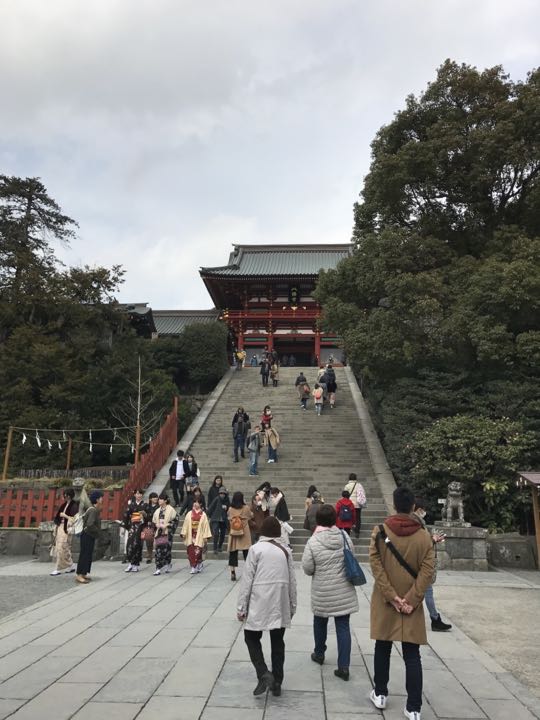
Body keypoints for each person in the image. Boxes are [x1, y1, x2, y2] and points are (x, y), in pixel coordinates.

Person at [368, 487, 435, 720]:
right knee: (412, 654)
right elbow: (427, 572)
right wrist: (411, 599)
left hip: (386, 600)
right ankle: (414, 707)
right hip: (410, 604)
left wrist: (391, 596)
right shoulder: (424, 537)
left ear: (394, 504)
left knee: (382, 647)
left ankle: (380, 693)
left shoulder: (380, 531)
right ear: (413, 506)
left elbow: (376, 566)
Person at [237, 516, 297, 698]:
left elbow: (247, 580)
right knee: (278, 641)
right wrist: (292, 605)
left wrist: (241, 607)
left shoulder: (255, 549)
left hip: (259, 600)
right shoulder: (286, 551)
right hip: (280, 600)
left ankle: (263, 673)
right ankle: (277, 682)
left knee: (251, 637)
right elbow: (292, 581)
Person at [302, 503, 359, 681]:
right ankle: (344, 667)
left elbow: (307, 568)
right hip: (343, 589)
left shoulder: (313, 541)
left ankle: (319, 653)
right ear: (335, 519)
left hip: (322, 590)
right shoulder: (344, 536)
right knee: (343, 627)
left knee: (320, 622)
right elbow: (352, 556)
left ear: (318, 520)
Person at [413, 497, 452, 632]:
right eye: (423, 510)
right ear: (419, 509)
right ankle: (435, 620)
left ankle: (435, 619)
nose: (424, 512)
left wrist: (432, 539)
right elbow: (419, 543)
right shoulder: (416, 522)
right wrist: (433, 540)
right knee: (427, 591)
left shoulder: (417, 522)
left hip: (420, 562)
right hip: (421, 563)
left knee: (426, 591)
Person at [75, 490, 103, 585]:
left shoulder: (93, 509)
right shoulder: (93, 510)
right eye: (101, 498)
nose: (102, 500)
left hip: (89, 535)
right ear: (97, 499)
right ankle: (79, 574)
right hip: (87, 535)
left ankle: (83, 573)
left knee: (88, 554)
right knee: (85, 554)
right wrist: (98, 531)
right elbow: (90, 524)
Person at [50, 488, 78, 575]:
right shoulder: (64, 505)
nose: (64, 496)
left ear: (69, 496)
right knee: (64, 548)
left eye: (65, 494)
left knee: (62, 547)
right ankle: (71, 565)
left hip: (67, 528)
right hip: (60, 527)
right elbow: (58, 517)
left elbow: (75, 519)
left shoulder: (74, 506)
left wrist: (65, 515)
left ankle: (58, 568)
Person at [227, 491, 253, 581]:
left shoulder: (230, 509)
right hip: (244, 533)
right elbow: (251, 515)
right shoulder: (246, 508)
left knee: (233, 553)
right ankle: (249, 572)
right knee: (247, 553)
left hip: (234, 532)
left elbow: (228, 517)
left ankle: (233, 572)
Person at [181, 499, 212, 573]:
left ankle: (195, 565)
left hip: (199, 535)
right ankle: (195, 565)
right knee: (191, 551)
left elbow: (206, 526)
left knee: (198, 551)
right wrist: (184, 533)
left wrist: (205, 536)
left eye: (197, 503)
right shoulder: (189, 513)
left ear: (200, 504)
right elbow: (185, 524)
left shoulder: (203, 514)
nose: (195, 504)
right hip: (191, 534)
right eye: (194, 502)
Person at [152, 492, 179, 576]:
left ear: (165, 500)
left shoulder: (171, 510)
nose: (159, 501)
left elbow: (175, 520)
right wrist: (156, 525)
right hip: (159, 531)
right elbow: (154, 521)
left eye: (161, 499)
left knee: (166, 549)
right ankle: (158, 567)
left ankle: (167, 563)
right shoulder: (157, 510)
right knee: (158, 549)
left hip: (167, 531)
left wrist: (167, 525)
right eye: (159, 499)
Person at [123, 489, 147, 573]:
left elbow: (148, 516)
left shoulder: (145, 505)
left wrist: (144, 515)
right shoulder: (131, 505)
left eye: (140, 494)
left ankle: (136, 564)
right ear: (134, 495)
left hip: (140, 526)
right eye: (137, 494)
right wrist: (127, 526)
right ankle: (130, 563)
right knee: (129, 544)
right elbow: (126, 515)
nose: (139, 495)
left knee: (138, 544)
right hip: (132, 526)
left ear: (142, 495)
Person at [207, 486, 230, 553]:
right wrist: (208, 515)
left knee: (223, 534)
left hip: (224, 519)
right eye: (221, 493)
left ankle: (219, 546)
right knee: (216, 533)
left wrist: (227, 507)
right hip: (216, 518)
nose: (222, 495)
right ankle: (215, 548)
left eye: (223, 493)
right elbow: (211, 507)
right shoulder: (217, 499)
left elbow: (230, 508)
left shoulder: (227, 500)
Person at [344, 473, 367, 538]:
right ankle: (357, 532)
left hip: (349, 504)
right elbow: (363, 493)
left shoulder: (347, 486)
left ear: (349, 478)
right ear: (355, 478)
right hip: (358, 504)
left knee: (349, 516)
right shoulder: (359, 485)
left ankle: (349, 529)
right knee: (358, 517)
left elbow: (344, 495)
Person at [143, 492, 159, 563]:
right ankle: (149, 556)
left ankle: (158, 556)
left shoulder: (159, 506)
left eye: (156, 497)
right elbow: (143, 513)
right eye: (154, 497)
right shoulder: (147, 506)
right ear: (150, 499)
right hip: (149, 526)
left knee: (158, 542)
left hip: (157, 525)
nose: (155, 498)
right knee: (149, 542)